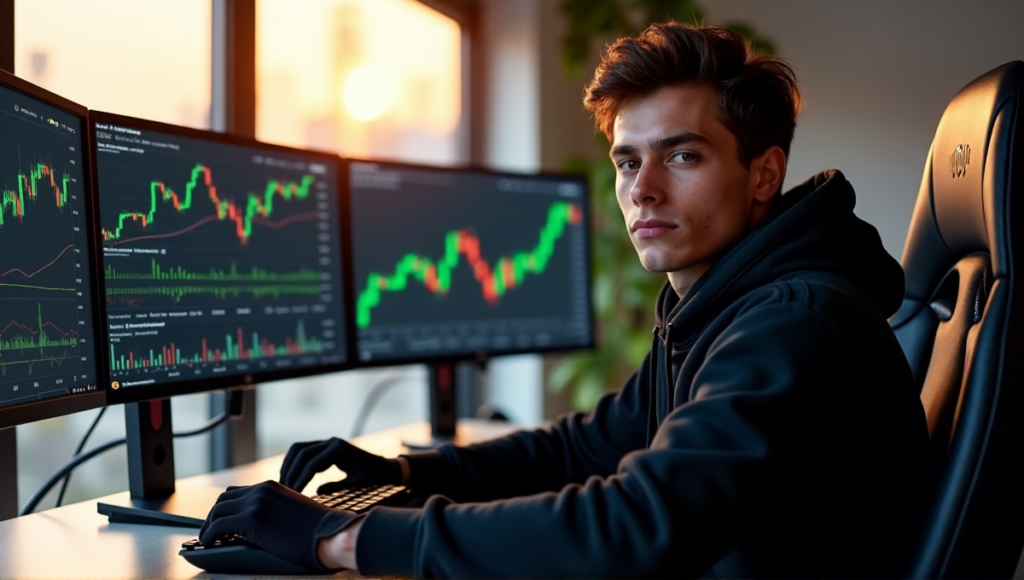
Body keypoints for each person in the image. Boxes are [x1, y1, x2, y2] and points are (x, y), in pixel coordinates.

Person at [199, 22, 929, 578]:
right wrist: (409, 474)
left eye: (682, 155)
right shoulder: (720, 304)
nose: (642, 189)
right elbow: (588, 446)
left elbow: (640, 524)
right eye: (626, 160)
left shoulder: (793, 323)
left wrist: (343, 538)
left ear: (764, 174)